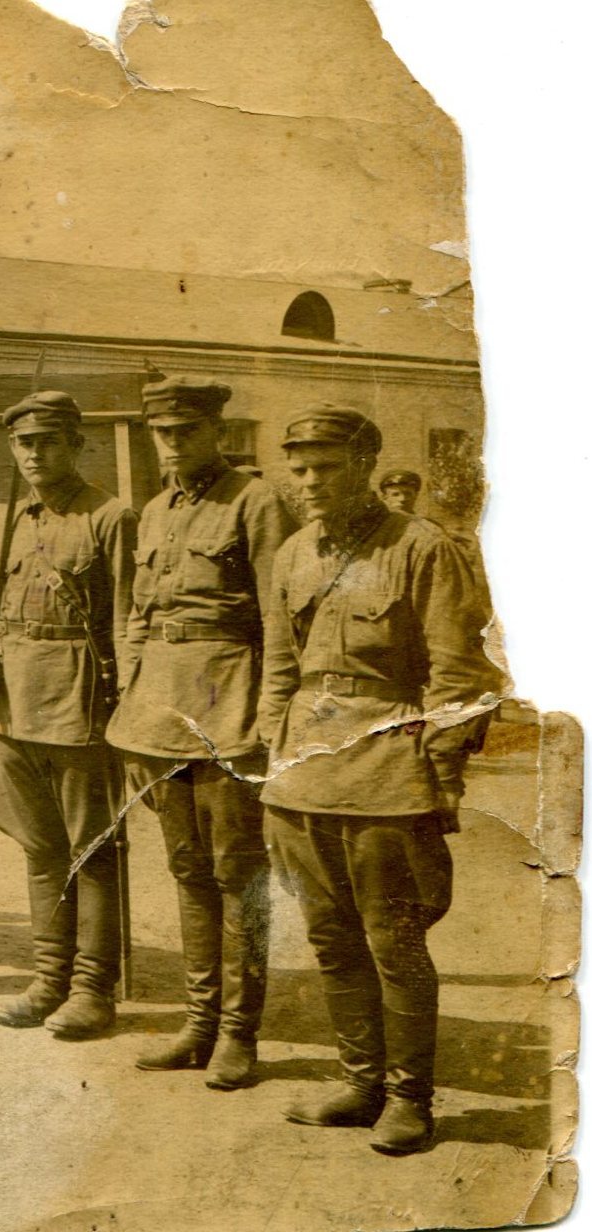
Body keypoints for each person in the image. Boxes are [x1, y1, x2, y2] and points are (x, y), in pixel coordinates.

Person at [258, 404, 501, 1153]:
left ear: (364, 465)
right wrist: (273, 754)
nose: (309, 481)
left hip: (388, 768)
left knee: (394, 942)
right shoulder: (292, 553)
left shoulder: (420, 547)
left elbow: (457, 674)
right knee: (330, 937)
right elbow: (279, 668)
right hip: (304, 772)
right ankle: (360, 1083)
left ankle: (409, 1100)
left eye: (326, 467)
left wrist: (438, 774)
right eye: (299, 469)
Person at [107, 376, 297, 1090]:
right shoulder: (155, 510)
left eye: (187, 431)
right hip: (160, 711)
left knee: (237, 873)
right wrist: (133, 695)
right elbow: (139, 616)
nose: (174, 444)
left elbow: (280, 617)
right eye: (163, 433)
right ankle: (198, 1023)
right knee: (187, 870)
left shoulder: (255, 502)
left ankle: (239, 1033)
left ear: (218, 431)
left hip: (228, 705)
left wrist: (270, 713)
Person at [0, 390, 137, 1039]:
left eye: (47, 442)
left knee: (91, 851)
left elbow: (125, 618)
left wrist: (123, 710)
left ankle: (92, 990)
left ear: (76, 445)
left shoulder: (109, 517)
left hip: (77, 703)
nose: (34, 454)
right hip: (11, 705)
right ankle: (48, 980)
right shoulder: (3, 520)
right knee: (41, 850)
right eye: (23, 444)